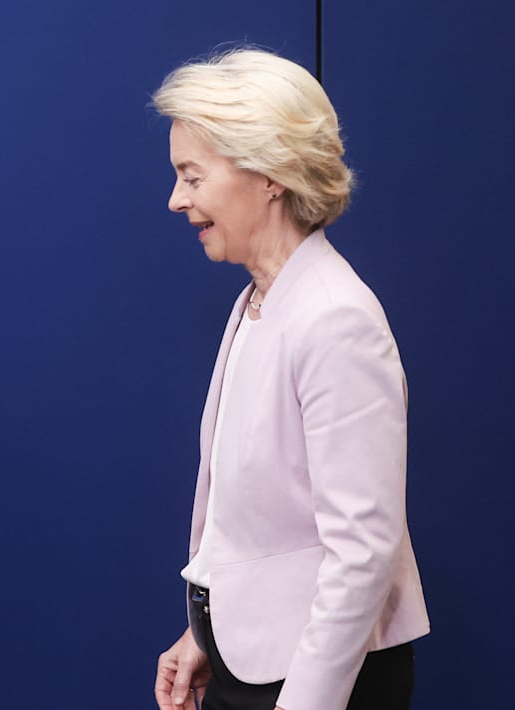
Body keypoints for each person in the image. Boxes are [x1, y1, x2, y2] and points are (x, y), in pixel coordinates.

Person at [149, 49, 430, 710]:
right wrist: (209, 633)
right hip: (255, 664)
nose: (176, 199)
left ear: (269, 173)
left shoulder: (335, 318)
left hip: (319, 682)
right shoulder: (259, 300)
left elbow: (362, 553)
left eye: (192, 176)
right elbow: (260, 519)